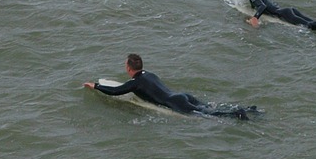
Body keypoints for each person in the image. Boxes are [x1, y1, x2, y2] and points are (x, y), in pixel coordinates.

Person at [84, 53, 258, 120]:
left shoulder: (135, 83)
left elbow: (116, 91)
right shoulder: (149, 74)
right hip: (182, 96)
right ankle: (247, 109)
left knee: (209, 115)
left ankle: (237, 113)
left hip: (176, 104)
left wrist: (95, 86)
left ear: (129, 68)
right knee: (208, 108)